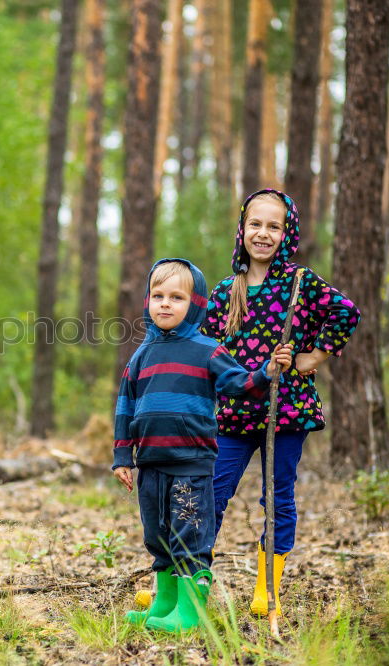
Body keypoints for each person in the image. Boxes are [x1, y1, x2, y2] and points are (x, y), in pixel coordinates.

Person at [201, 189, 360, 617]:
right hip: (234, 414)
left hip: (286, 411)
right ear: (242, 228)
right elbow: (205, 350)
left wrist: (315, 355)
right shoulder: (224, 292)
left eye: (274, 226)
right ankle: (190, 578)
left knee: (278, 496)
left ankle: (267, 587)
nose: (263, 234)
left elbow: (346, 311)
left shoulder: (300, 282)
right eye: (256, 224)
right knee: (211, 491)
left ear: (286, 233)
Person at [112, 258, 292, 633]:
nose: (164, 303)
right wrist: (121, 457)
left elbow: (240, 384)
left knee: (188, 533)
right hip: (150, 464)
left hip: (190, 463)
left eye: (176, 297)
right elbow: (126, 405)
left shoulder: (206, 350)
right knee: (157, 534)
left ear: (194, 305)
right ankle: (164, 604)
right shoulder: (141, 354)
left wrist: (267, 372)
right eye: (157, 295)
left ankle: (190, 611)